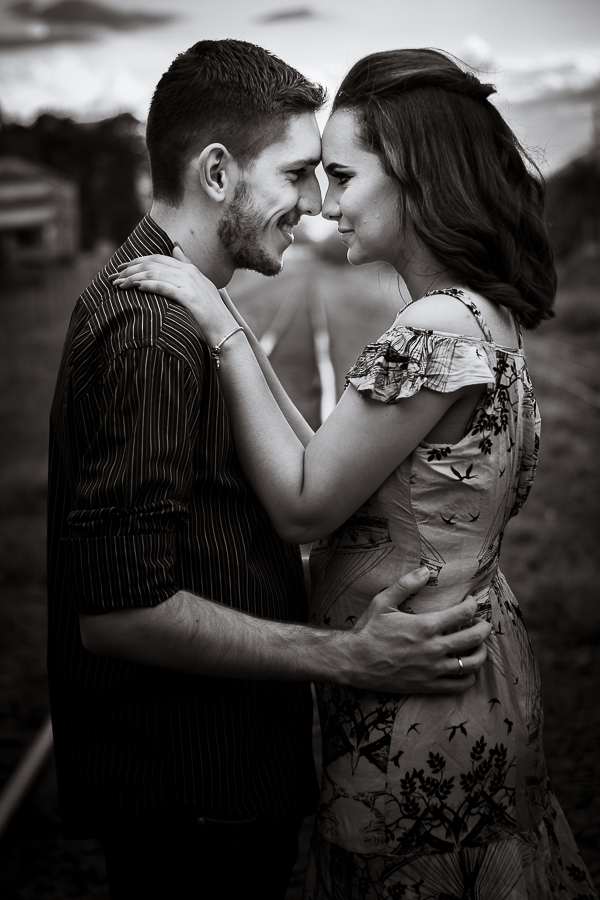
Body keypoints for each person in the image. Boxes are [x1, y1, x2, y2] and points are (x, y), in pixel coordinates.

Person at [116, 49, 598, 898]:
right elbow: (329, 463)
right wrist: (219, 303)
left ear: (410, 173)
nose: (325, 206)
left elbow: (303, 505)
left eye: (341, 176)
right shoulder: (483, 316)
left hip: (417, 704)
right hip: (472, 679)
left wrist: (222, 331)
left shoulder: (431, 328)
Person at [47, 40, 491, 900]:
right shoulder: (153, 332)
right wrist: (351, 658)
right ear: (218, 173)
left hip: (205, 783)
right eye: (294, 174)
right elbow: (120, 613)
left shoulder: (176, 312)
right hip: (196, 793)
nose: (314, 204)